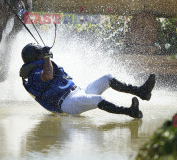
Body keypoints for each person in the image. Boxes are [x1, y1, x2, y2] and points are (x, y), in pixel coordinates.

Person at [20, 43, 156, 118]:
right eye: (41, 54)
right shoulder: (34, 74)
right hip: (67, 103)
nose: (43, 55)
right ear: (36, 57)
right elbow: (48, 76)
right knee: (96, 99)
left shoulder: (39, 66)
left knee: (107, 78)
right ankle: (129, 112)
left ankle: (141, 92)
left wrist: (46, 57)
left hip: (77, 92)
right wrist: (48, 57)